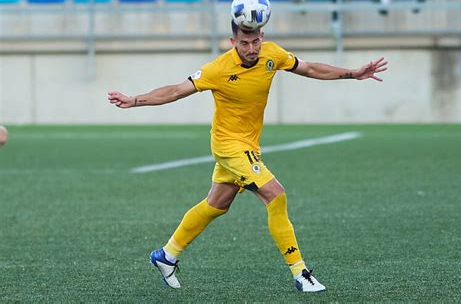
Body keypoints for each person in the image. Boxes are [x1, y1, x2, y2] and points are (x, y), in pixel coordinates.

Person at [108, 21, 388, 292]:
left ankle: (166, 255)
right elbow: (175, 91)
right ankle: (301, 273)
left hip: (249, 145)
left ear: (262, 37)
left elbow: (311, 68)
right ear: (233, 42)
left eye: (255, 41)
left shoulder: (273, 54)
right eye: (244, 43)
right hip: (228, 145)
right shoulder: (217, 69)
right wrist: (134, 100)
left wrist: (353, 73)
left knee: (216, 205)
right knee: (276, 195)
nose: (251, 48)